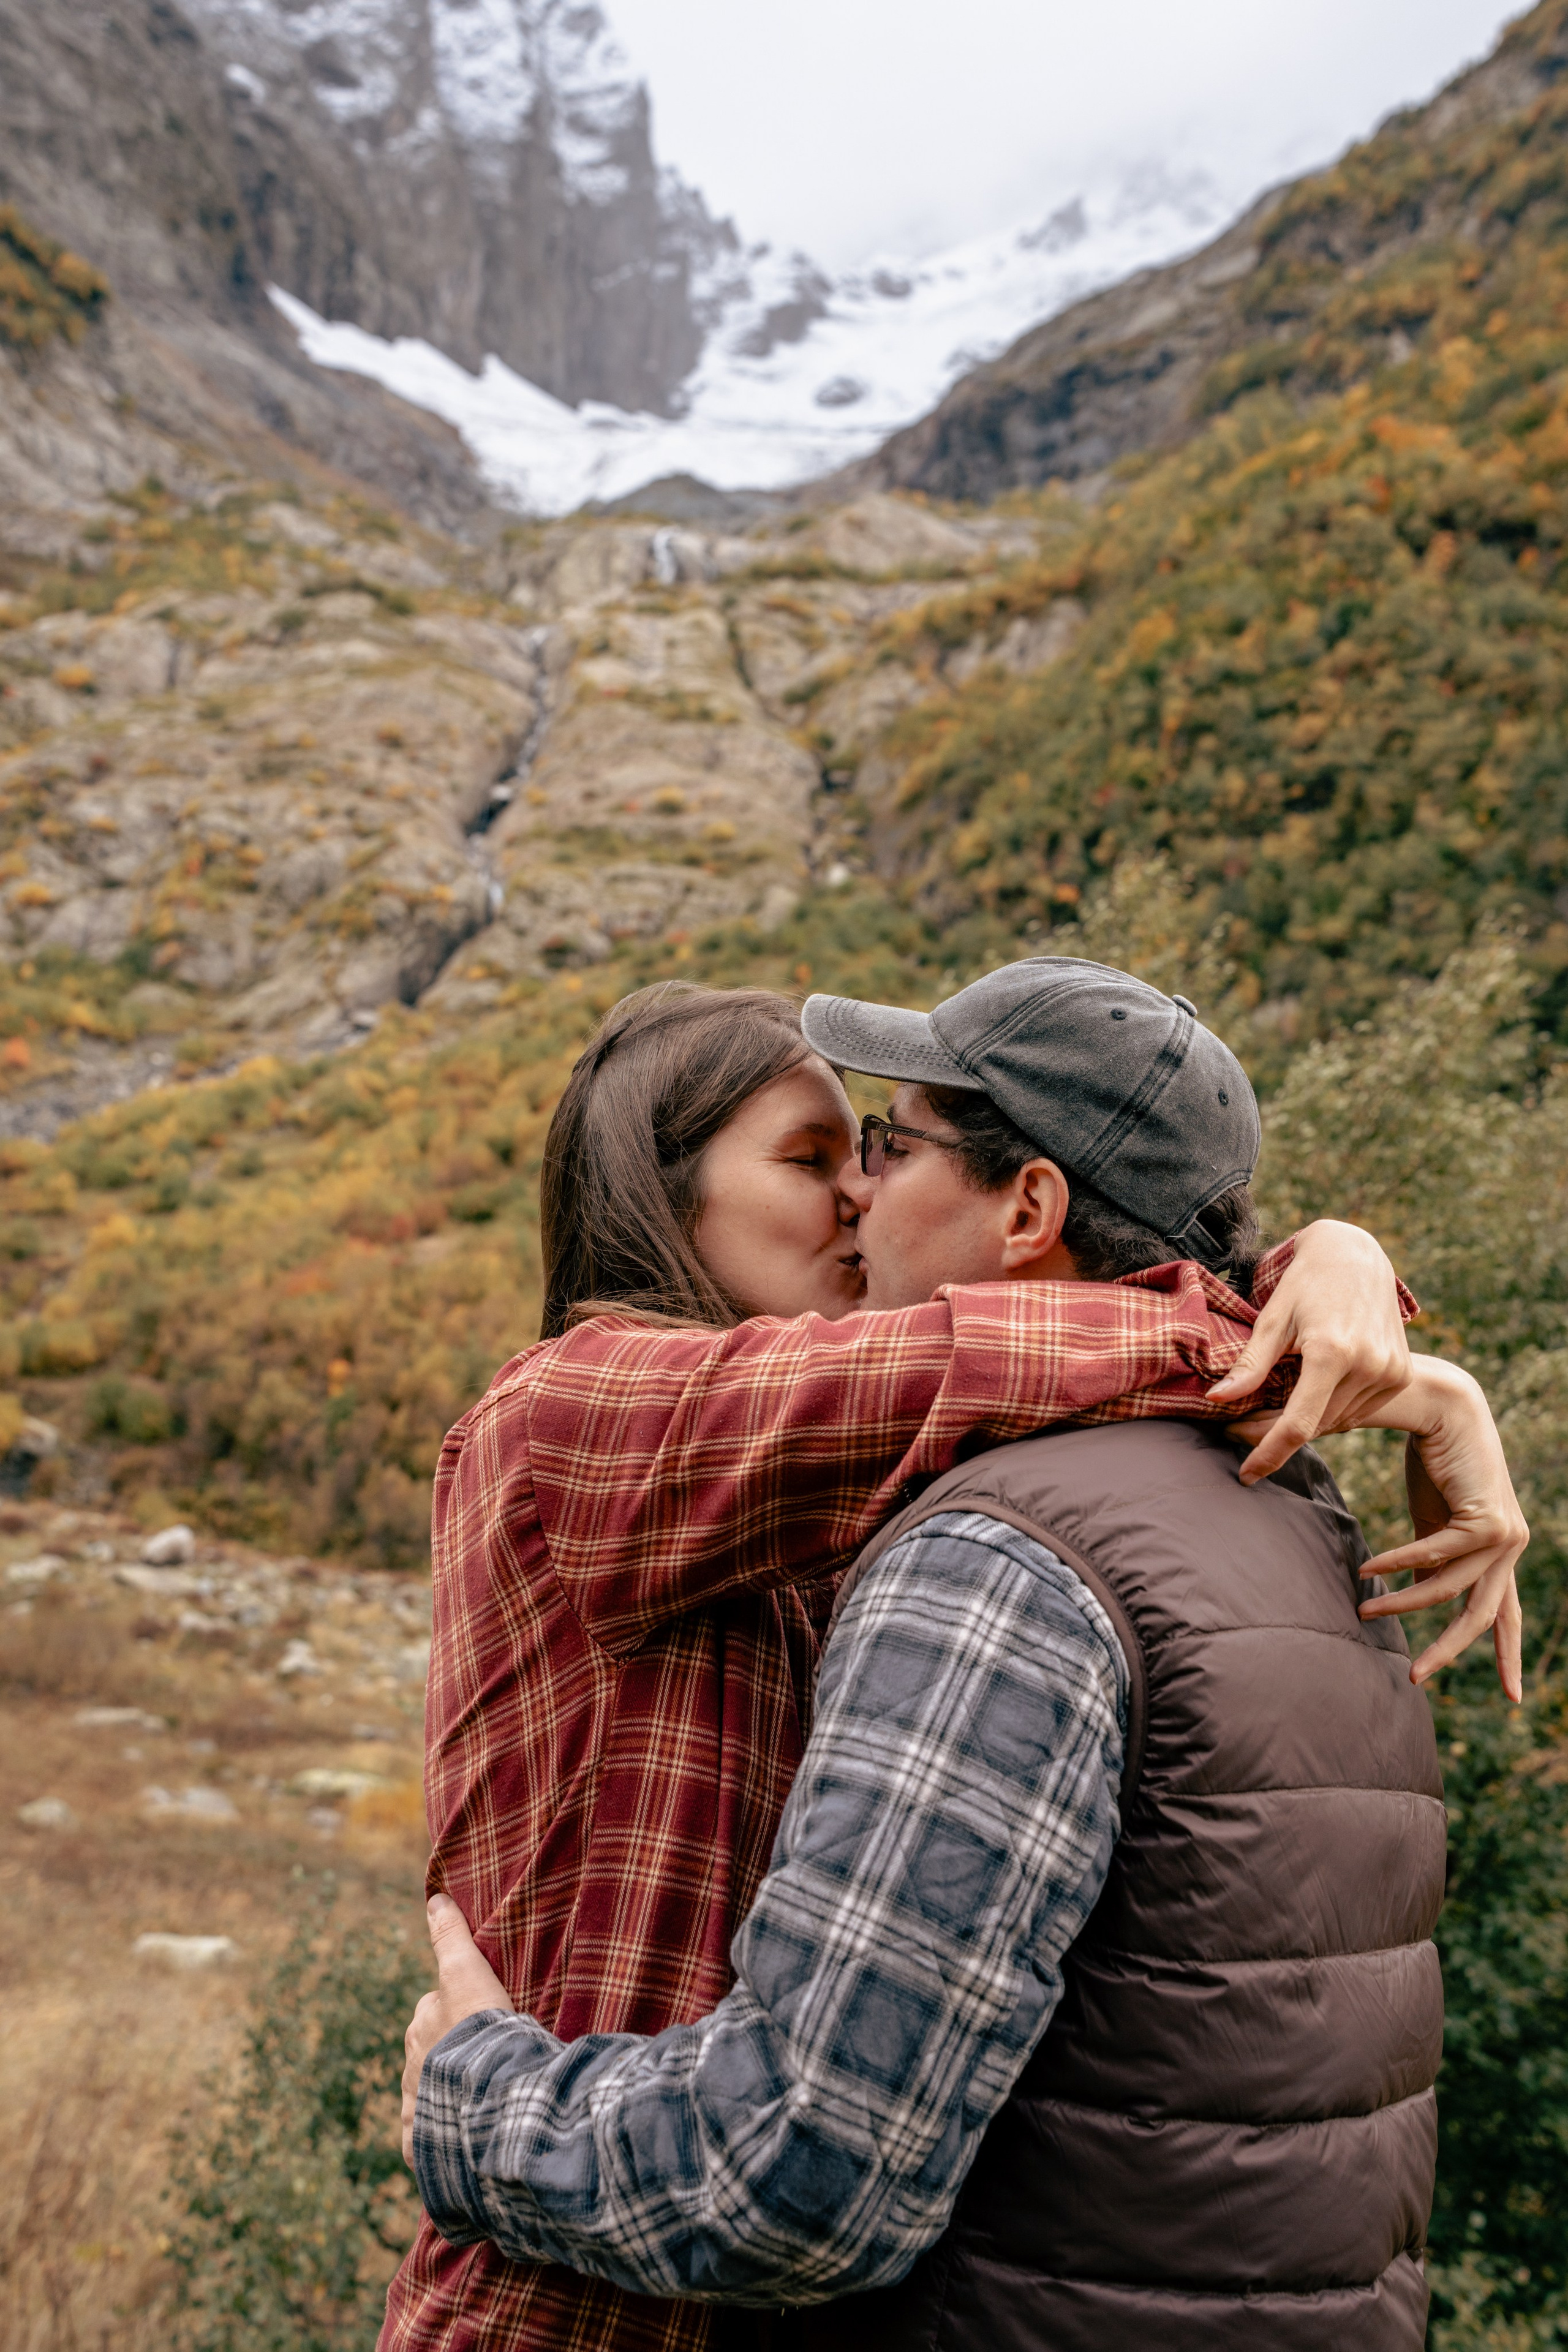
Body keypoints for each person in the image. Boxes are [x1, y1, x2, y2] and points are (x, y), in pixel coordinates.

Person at [393, 961, 1527, 2351]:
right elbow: (964, 1352)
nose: (858, 1199)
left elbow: (1054, 1287)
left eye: (873, 1150)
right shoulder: (571, 1415)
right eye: (816, 1159)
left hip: (687, 2251)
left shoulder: (856, 1481)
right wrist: (1354, 1353)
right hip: (560, 2298)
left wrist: (1331, 1272)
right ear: (657, 1195)